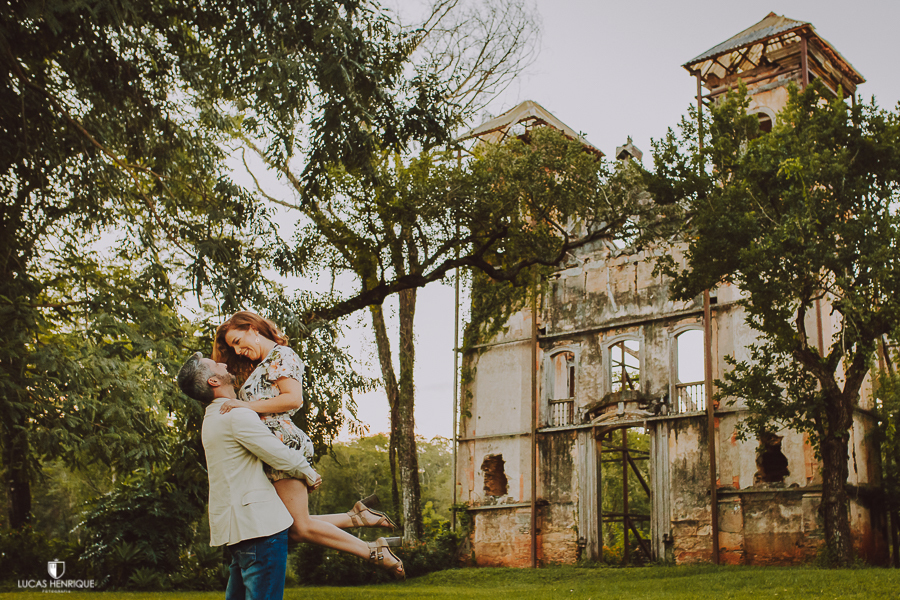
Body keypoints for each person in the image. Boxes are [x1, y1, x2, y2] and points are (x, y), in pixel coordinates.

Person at [177, 354, 403, 600]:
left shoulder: (212, 418)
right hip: (259, 530)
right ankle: (360, 527)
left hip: (239, 532)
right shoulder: (235, 415)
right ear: (213, 381)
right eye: (216, 365)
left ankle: (356, 519)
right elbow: (277, 453)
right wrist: (307, 472)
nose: (223, 364)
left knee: (297, 525)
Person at [211, 311, 404, 580]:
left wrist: (245, 405)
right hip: (269, 447)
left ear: (253, 328)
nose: (237, 350)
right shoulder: (264, 364)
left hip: (282, 443)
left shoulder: (282, 355)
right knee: (287, 526)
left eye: (237, 340)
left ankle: (374, 552)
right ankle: (358, 517)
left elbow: (293, 399)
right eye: (232, 346)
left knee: (298, 528)